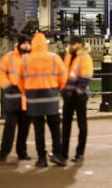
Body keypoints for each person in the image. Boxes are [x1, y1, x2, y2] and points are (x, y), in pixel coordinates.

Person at [24, 31, 67, 167]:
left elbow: (20, 79)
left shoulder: (26, 59)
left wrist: (26, 90)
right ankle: (58, 154)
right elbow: (63, 76)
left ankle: (41, 158)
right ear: (45, 44)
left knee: (39, 130)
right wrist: (58, 89)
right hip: (51, 98)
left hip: (33, 100)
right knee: (55, 129)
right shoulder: (54, 58)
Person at [0, 34, 31, 163]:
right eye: (24, 43)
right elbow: (0, 72)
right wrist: (7, 85)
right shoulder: (9, 57)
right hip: (12, 98)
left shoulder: (32, 58)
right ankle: (3, 153)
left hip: (26, 100)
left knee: (24, 129)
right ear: (19, 45)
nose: (26, 45)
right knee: (9, 128)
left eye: (28, 43)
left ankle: (22, 152)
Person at [60, 36, 93, 163]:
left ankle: (80, 153)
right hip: (68, 95)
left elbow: (86, 77)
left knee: (81, 125)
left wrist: (78, 91)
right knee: (66, 125)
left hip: (79, 96)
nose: (70, 46)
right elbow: (65, 74)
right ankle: (63, 154)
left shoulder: (85, 57)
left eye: (73, 44)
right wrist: (64, 91)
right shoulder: (68, 56)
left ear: (80, 44)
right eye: (70, 44)